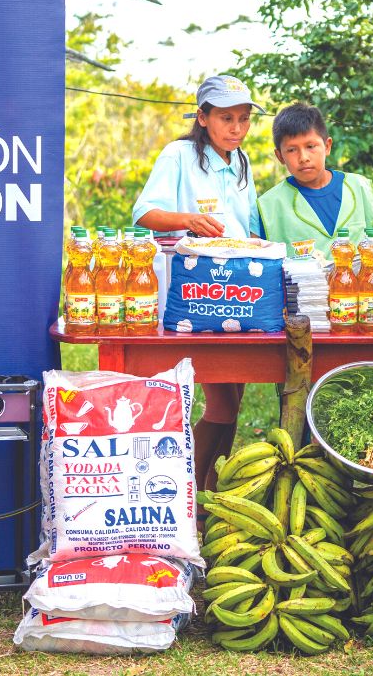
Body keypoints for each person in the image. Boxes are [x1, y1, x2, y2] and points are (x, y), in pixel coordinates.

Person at [133, 74, 263, 495]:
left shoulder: (239, 162)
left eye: (244, 119)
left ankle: (210, 493)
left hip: (239, 291)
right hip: (192, 294)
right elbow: (145, 213)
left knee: (234, 403)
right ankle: (188, 496)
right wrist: (188, 219)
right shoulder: (180, 154)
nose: (237, 129)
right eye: (227, 118)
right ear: (202, 117)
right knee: (221, 404)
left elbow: (247, 225)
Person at [257, 102, 373, 256]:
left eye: (311, 146)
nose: (303, 158)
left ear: (327, 146)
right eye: (291, 150)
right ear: (280, 156)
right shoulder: (268, 205)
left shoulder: (359, 188)